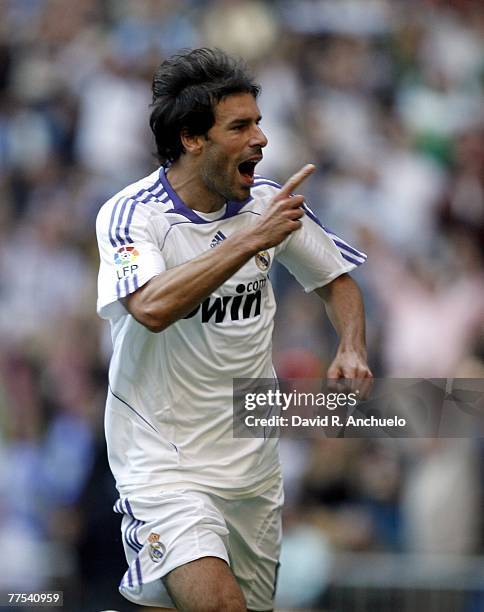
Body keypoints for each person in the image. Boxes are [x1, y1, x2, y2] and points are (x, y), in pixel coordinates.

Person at [96, 48, 372, 611]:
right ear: (193, 138)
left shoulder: (267, 204)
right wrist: (250, 241)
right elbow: (150, 306)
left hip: (252, 469)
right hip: (163, 463)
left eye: (259, 122)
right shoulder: (133, 215)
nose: (261, 139)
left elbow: (336, 280)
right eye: (240, 126)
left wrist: (351, 345)